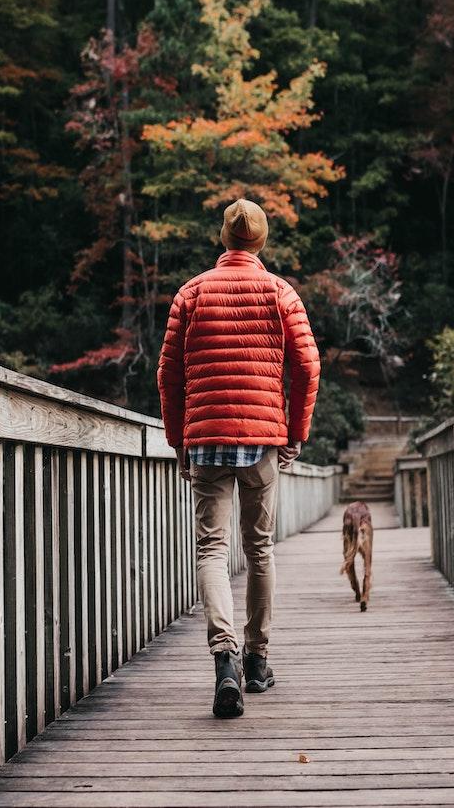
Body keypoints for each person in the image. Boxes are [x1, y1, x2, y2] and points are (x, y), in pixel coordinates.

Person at [157, 198, 321, 718]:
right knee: (260, 550)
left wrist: (178, 440)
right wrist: (294, 434)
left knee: (211, 550)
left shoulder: (192, 291)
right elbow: (308, 368)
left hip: (205, 440)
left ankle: (223, 657)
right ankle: (257, 661)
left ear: (223, 239)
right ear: (261, 242)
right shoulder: (280, 292)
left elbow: (168, 375)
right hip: (261, 443)